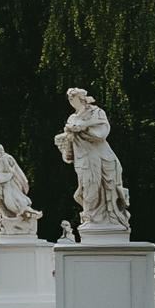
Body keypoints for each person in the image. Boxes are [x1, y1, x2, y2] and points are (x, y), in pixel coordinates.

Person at [54, 88, 130, 229]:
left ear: (81, 98)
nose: (70, 100)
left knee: (105, 187)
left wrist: (83, 127)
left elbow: (101, 134)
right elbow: (69, 144)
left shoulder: (97, 113)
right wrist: (64, 138)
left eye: (73, 97)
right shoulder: (72, 118)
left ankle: (106, 220)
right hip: (83, 158)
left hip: (101, 156)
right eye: (69, 98)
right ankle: (92, 217)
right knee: (87, 187)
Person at [0, 143, 40, 235]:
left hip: (9, 185)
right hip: (3, 187)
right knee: (0, 204)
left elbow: (7, 175)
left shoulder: (5, 159)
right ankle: (14, 221)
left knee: (10, 203)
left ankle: (25, 215)